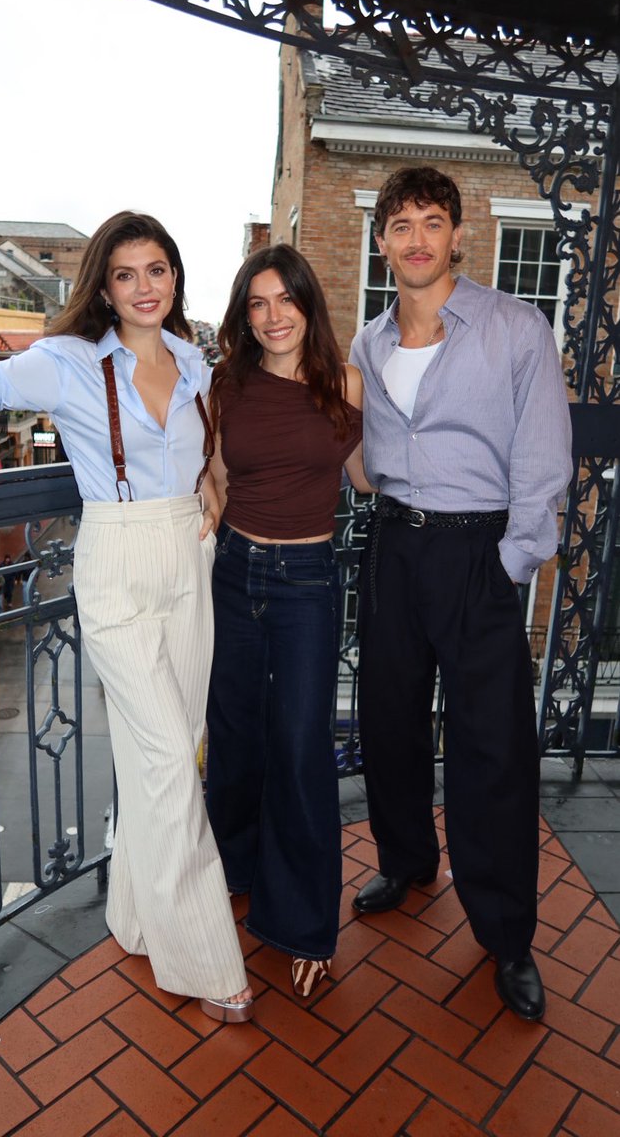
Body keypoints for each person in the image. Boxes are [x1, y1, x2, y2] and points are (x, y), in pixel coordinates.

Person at [0, 210, 253, 1023]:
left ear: (175, 277)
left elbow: (212, 450)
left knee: (176, 747)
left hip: (190, 557)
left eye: (157, 270)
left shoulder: (195, 360)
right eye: (126, 275)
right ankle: (205, 959)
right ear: (104, 289)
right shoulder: (67, 362)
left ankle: (135, 918)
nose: (144, 288)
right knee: (162, 762)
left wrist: (214, 485)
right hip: (115, 560)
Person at [349, 166, 572, 1022]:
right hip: (394, 549)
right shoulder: (368, 343)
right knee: (387, 716)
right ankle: (407, 860)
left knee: (493, 748)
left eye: (430, 222)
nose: (414, 239)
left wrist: (512, 563)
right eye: (398, 224)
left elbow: (544, 456)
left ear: (456, 235)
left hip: (478, 555)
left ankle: (506, 935)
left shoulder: (514, 328)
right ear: (381, 242)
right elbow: (363, 460)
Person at [206, 244, 372, 998]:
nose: (272, 317)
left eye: (284, 300)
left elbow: (371, 475)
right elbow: (213, 479)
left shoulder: (345, 385)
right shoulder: (226, 386)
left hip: (307, 582)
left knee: (302, 745)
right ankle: (231, 872)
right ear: (246, 314)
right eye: (256, 304)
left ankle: (304, 922)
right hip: (234, 574)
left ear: (308, 304)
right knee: (234, 735)